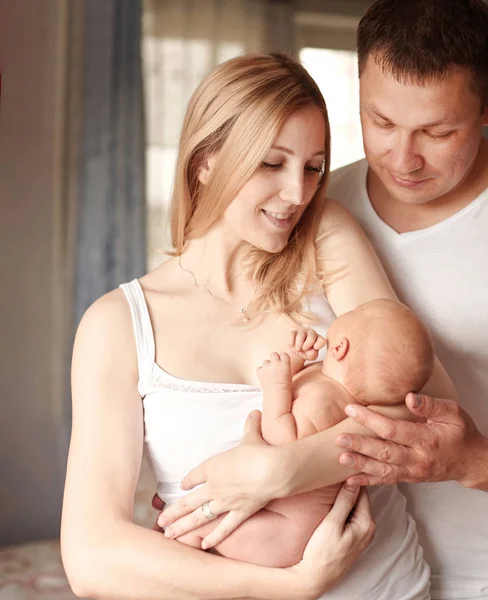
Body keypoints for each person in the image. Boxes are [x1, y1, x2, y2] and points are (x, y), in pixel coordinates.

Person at [156, 1, 488, 599]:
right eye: (380, 121)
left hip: (485, 584)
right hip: (339, 580)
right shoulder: (307, 206)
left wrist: (476, 461)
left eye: (438, 131)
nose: (403, 157)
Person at [61, 51, 455, 600]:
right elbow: (91, 556)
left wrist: (281, 472)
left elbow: (433, 417)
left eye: (313, 167)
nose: (298, 193)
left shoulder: (324, 240)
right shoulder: (119, 325)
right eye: (272, 163)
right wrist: (292, 585)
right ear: (204, 161)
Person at [173, 299, 435, 571]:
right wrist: (296, 359)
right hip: (283, 522)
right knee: (193, 535)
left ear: (339, 347)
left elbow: (283, 444)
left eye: (354, 311)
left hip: (284, 530)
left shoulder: (326, 401)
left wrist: (276, 386)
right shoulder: (330, 385)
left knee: (188, 535)